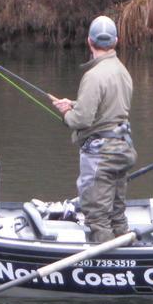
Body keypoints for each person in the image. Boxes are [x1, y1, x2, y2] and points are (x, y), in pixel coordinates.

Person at [50, 16, 137, 243]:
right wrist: (74, 104)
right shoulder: (122, 71)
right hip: (122, 149)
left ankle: (109, 266)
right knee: (117, 215)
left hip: (101, 155)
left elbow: (81, 120)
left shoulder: (93, 76)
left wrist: (67, 113)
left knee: (97, 216)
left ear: (89, 41)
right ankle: (129, 253)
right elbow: (110, 109)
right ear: (116, 41)